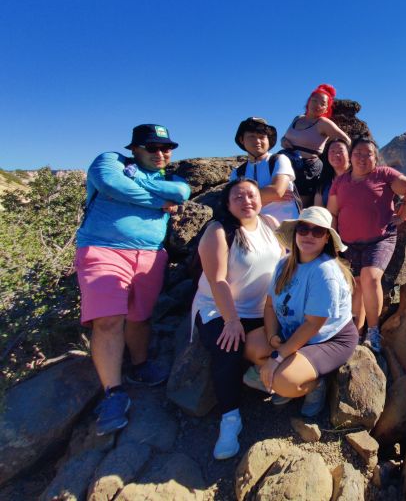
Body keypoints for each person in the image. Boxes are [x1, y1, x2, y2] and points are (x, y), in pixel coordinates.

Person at [75, 124, 191, 436]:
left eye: (166, 148)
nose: (161, 153)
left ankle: (139, 366)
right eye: (152, 148)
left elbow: (181, 193)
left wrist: (140, 180)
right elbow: (113, 186)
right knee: (109, 320)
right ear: (135, 149)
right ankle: (113, 393)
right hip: (103, 249)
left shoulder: (170, 179)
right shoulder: (110, 161)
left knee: (140, 316)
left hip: (150, 255)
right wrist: (157, 200)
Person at [191, 178, 283, 460]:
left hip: (260, 310)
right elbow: (217, 280)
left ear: (261, 198)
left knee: (277, 343)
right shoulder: (218, 231)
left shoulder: (270, 224)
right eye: (238, 197)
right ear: (228, 203)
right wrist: (231, 321)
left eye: (252, 195)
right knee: (228, 347)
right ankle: (230, 418)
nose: (247, 202)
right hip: (218, 308)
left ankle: (254, 374)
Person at [259, 206, 358, 418]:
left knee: (282, 380)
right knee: (251, 347)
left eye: (318, 231)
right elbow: (269, 306)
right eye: (303, 229)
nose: (309, 235)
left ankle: (315, 384)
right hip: (293, 331)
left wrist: (277, 356)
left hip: (328, 339)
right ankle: (291, 372)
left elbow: (313, 325)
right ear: (295, 233)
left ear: (326, 239)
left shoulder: (324, 272)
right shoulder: (284, 264)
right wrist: (272, 337)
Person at [327, 137, 406, 352]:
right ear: (351, 157)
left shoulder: (384, 174)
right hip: (348, 243)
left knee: (369, 277)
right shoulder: (340, 182)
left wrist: (402, 216)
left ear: (375, 158)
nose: (362, 158)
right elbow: (332, 212)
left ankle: (373, 331)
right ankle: (354, 333)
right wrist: (332, 239)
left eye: (367, 154)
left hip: (380, 239)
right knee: (356, 286)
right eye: (357, 153)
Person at [281, 84, 351, 207]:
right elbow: (285, 137)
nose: (317, 105)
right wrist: (283, 141)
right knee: (281, 199)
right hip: (286, 161)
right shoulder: (298, 118)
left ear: (326, 109)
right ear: (308, 102)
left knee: (299, 206)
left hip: (306, 169)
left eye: (322, 103)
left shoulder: (323, 123)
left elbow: (346, 140)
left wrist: (333, 151)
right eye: (314, 100)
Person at [232, 117, 299, 223]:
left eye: (262, 137)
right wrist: (268, 196)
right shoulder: (238, 171)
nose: (257, 141)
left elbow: (276, 191)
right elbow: (232, 203)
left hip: (285, 230)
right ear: (242, 140)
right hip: (254, 232)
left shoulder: (279, 159)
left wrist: (244, 200)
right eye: (252, 136)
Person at [313, 139, 350, 208]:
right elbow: (318, 209)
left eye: (340, 151)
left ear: (349, 155)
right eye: (332, 151)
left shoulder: (358, 177)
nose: (336, 154)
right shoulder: (324, 182)